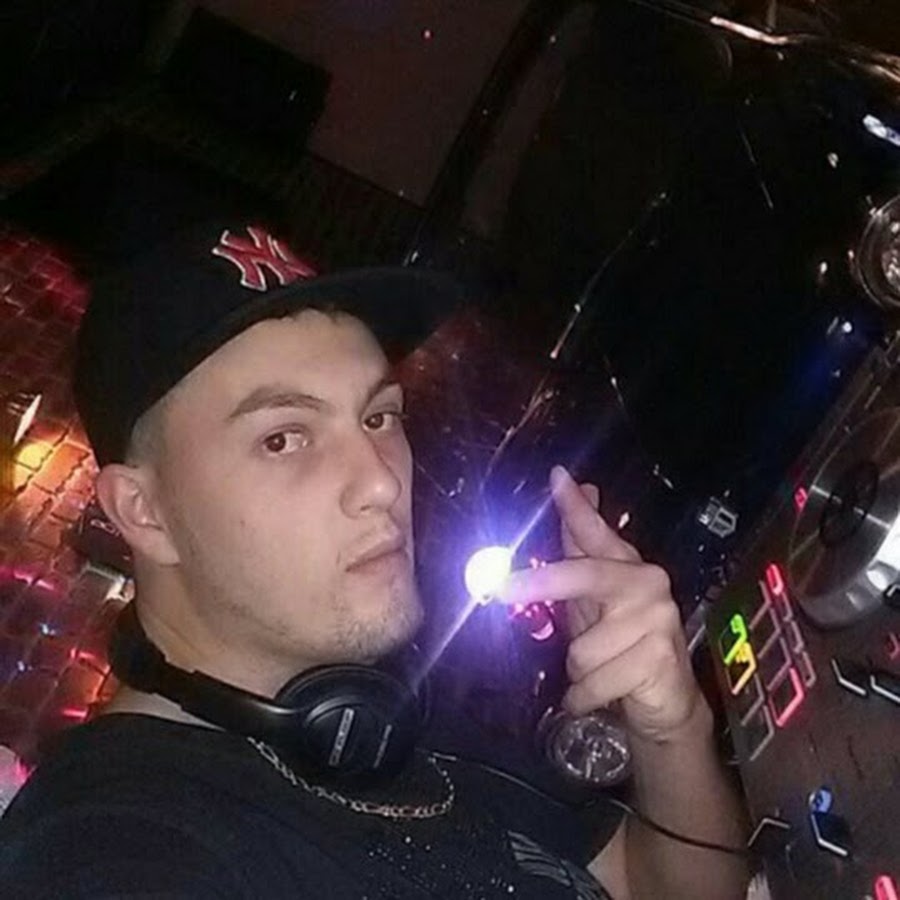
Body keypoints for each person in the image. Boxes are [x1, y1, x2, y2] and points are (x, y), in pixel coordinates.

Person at [0, 221, 748, 899]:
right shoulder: (113, 843)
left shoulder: (388, 705)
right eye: (284, 438)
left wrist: (670, 725)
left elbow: (654, 883)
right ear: (144, 511)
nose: (384, 483)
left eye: (379, 416)